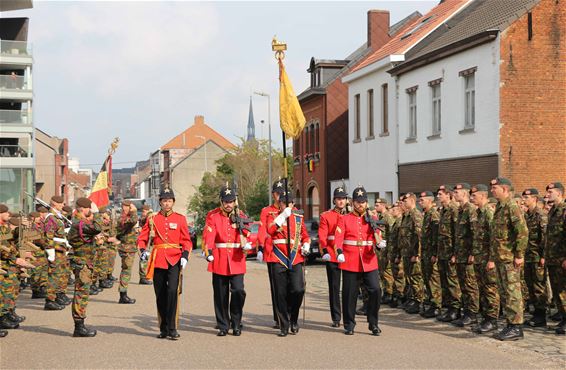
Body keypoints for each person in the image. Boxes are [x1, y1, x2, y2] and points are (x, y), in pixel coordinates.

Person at [137, 187, 192, 340]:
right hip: (158, 259)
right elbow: (142, 238)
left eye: (169, 201)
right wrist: (143, 251)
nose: (167, 204)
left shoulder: (180, 218)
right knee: (160, 294)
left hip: (175, 259)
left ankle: (173, 328)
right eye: (164, 201)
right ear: (160, 202)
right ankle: (164, 328)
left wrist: (185, 256)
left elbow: (186, 240)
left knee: (173, 291)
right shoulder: (152, 219)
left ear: (173, 202)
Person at [203, 184, 252, 336]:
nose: (228, 204)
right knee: (220, 294)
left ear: (234, 201)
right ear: (221, 201)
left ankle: (236, 322)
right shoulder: (214, 216)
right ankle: (223, 325)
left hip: (236, 258)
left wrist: (248, 244)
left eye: (231, 201)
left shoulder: (241, 215)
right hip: (219, 258)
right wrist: (208, 251)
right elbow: (209, 235)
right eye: (225, 201)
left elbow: (247, 234)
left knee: (238, 291)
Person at [334, 186, 384, 336]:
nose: (360, 204)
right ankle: (349, 324)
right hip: (350, 260)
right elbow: (338, 237)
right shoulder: (345, 219)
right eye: (357, 201)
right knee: (350, 294)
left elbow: (377, 235)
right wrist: (339, 251)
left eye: (363, 201)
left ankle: (373, 323)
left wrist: (379, 243)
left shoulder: (372, 219)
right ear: (352, 202)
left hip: (369, 260)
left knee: (375, 290)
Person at [265, 188, 310, 337]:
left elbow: (305, 236)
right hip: (279, 258)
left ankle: (294, 319)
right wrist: (283, 216)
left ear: (293, 203)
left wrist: (306, 245)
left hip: (295, 257)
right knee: (280, 293)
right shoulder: (273, 216)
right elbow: (270, 230)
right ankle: (284, 324)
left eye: (288, 203)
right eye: (283, 203)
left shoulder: (298, 218)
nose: (286, 206)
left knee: (298, 289)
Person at [488, 177, 528, 341]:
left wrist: (519, 255)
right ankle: (510, 324)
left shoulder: (512, 207)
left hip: (510, 258)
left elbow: (522, 232)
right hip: (500, 258)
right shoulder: (499, 207)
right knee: (504, 292)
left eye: (495, 188)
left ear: (504, 189)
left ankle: (516, 327)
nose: (492, 190)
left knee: (513, 292)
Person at [66, 197, 104, 337]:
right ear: (83, 208)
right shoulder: (79, 223)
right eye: (89, 208)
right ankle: (79, 327)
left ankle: (80, 325)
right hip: (82, 264)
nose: (91, 211)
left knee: (82, 293)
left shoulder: (79, 222)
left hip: (83, 262)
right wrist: (97, 212)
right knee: (81, 294)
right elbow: (98, 227)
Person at [470, 184, 499, 334]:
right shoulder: (478, 213)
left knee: (490, 289)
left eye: (474, 196)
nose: (471, 198)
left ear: (483, 196)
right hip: (479, 258)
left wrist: (492, 259)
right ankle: (485, 318)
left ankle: (492, 320)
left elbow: (494, 238)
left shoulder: (488, 212)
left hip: (487, 258)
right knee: (482, 288)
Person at [256, 180, 285, 329]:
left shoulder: (291, 209)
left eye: (282, 193)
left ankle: (290, 315)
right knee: (276, 287)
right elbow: (262, 230)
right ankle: (279, 318)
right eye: (277, 193)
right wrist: (260, 247)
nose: (279, 196)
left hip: (289, 253)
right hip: (272, 252)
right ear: (273, 194)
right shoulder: (267, 211)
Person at [318, 186, 348, 327]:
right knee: (334, 287)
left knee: (349, 287)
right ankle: (336, 318)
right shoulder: (326, 216)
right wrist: (325, 251)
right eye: (338, 199)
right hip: (332, 254)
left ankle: (349, 315)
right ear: (334, 200)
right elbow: (323, 236)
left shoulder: (350, 215)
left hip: (348, 254)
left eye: (343, 198)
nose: (341, 201)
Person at [452, 183, 480, 327]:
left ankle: (473, 314)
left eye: (456, 192)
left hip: (468, 255)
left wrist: (473, 253)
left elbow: (475, 233)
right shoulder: (460, 210)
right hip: (460, 254)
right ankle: (467, 312)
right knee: (463, 285)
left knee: (470, 285)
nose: (454, 194)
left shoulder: (470, 210)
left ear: (464, 194)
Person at [521, 188, 548, 327]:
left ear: (535, 199)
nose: (524, 200)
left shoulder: (541, 215)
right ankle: (535, 313)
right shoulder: (527, 215)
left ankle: (541, 316)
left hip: (537, 256)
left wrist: (543, 256)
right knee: (530, 285)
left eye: (527, 197)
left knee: (539, 286)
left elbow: (545, 237)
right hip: (528, 256)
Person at [435, 185, 462, 322]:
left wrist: (455, 253)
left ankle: (456, 309)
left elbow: (457, 234)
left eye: (441, 194)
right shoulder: (442, 211)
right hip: (442, 252)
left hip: (451, 251)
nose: (438, 197)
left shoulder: (453, 210)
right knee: (445, 282)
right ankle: (449, 308)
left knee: (453, 282)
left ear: (448, 195)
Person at [397, 192, 424, 315]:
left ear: (412, 201)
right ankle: (412, 299)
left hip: (413, 253)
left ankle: (419, 301)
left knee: (416, 277)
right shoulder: (406, 216)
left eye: (405, 200)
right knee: (410, 277)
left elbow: (419, 236)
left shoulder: (415, 215)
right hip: (407, 253)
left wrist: (417, 254)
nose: (403, 203)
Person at [544, 182, 565, 335]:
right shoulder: (553, 211)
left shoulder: (564, 210)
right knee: (557, 291)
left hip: (562, 258)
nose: (548, 194)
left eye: (551, 191)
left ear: (559, 193)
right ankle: (563, 317)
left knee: (564, 290)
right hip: (552, 258)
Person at [44, 195, 71, 310]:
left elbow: (59, 233)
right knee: (54, 275)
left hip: (61, 250)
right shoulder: (51, 217)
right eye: (60, 204)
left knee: (60, 274)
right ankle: (50, 300)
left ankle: (57, 296)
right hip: (55, 250)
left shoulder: (58, 217)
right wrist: (50, 252)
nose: (62, 206)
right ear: (55, 203)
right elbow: (48, 236)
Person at [418, 191, 441, 318]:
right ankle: (432, 304)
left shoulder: (434, 214)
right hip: (425, 252)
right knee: (427, 278)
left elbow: (435, 236)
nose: (420, 202)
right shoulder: (427, 214)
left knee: (433, 280)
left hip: (431, 253)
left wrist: (434, 253)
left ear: (430, 201)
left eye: (422, 200)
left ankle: (437, 306)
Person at [116, 200, 138, 304]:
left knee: (126, 271)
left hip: (127, 247)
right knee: (126, 271)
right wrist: (134, 211)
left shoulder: (124, 217)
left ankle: (123, 294)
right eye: (127, 207)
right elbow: (133, 221)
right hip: (127, 248)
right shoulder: (123, 218)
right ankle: (123, 296)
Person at [138, 205, 152, 285]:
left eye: (144, 211)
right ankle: (143, 278)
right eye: (142, 211)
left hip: (147, 242)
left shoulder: (149, 218)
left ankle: (144, 277)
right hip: (143, 243)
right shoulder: (143, 219)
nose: (143, 213)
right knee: (144, 259)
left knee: (145, 259)